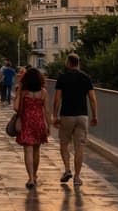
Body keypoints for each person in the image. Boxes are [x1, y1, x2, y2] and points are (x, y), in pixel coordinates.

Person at [52, 53, 98, 186]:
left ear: (68, 63)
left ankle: (67, 170)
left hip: (67, 115)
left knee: (64, 144)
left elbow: (57, 99)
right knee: (80, 147)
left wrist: (55, 115)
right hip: (82, 116)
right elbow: (93, 99)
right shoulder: (86, 78)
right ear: (78, 63)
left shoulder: (62, 77)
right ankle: (77, 178)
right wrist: (95, 115)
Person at [14, 67, 49, 189]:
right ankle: (35, 175)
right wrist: (48, 125)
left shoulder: (24, 92)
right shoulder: (43, 92)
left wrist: (18, 92)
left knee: (28, 151)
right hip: (39, 122)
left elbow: (16, 108)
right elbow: (47, 111)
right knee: (36, 151)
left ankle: (30, 178)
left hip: (26, 122)